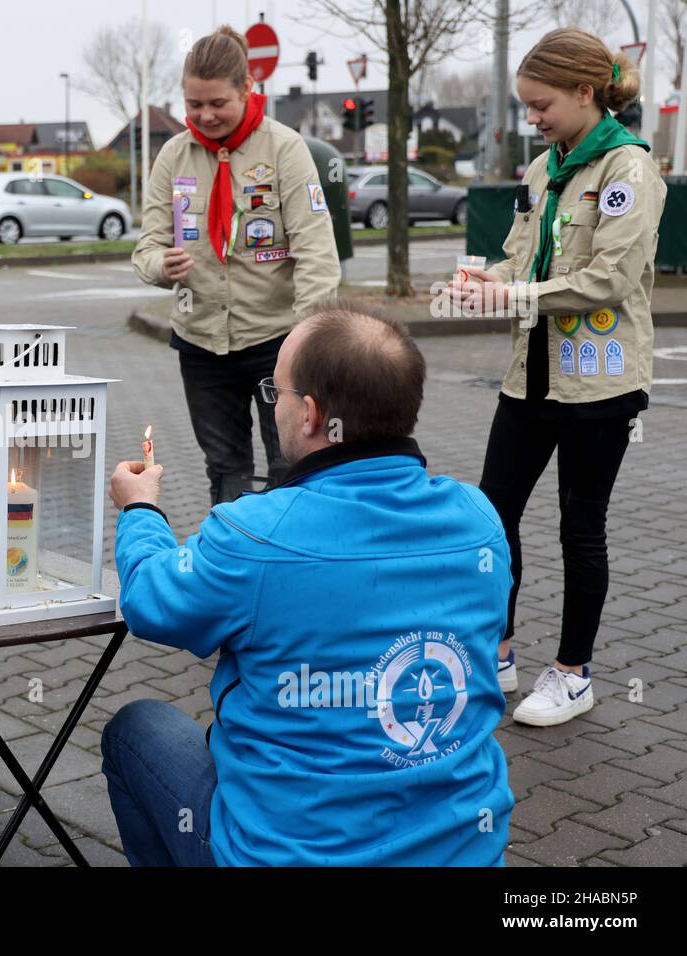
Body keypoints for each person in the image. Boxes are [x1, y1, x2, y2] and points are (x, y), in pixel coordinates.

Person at [102, 302, 513, 866]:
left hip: (289, 853)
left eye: (278, 393)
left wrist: (140, 512)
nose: (272, 408)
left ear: (311, 415)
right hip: (461, 850)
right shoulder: (480, 521)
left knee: (135, 729)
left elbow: (151, 602)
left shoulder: (255, 534)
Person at [454, 29, 665, 727]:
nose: (533, 119)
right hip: (529, 379)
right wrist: (491, 278)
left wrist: (513, 296)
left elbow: (608, 279)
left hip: (598, 385)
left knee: (581, 526)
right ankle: (500, 651)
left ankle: (573, 674)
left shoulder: (629, 170)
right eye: (527, 106)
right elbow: (526, 262)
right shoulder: (546, 168)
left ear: (585, 92)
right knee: (492, 516)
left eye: (541, 104)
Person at [133, 25, 340, 503]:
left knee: (291, 464)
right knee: (225, 469)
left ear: (248, 88)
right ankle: (234, 567)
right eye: (193, 105)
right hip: (201, 342)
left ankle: (288, 567)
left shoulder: (285, 149)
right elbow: (145, 249)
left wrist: (306, 339)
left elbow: (316, 251)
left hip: (276, 342)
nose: (204, 116)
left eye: (217, 103)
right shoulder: (172, 156)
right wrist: (161, 266)